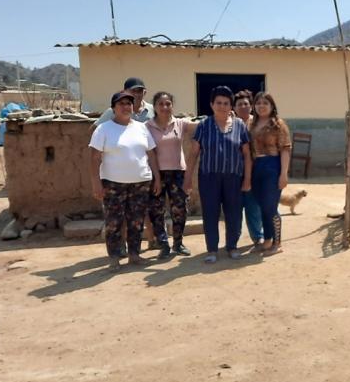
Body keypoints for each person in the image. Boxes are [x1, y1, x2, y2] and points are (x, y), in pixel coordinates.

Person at [89, 91, 162, 272]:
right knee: (113, 222)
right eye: (121, 104)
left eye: (129, 103)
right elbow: (94, 158)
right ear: (113, 108)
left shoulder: (141, 128)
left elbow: (151, 154)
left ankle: (134, 255)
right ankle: (114, 258)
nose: (126, 107)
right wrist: (96, 183)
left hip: (140, 182)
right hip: (113, 184)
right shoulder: (103, 129)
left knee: (136, 221)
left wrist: (157, 178)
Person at [184, 86, 252, 263]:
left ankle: (232, 246)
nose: (222, 106)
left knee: (234, 213)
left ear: (231, 106)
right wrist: (187, 179)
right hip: (209, 177)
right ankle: (212, 250)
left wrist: (247, 179)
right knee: (210, 213)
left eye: (226, 103)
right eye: (218, 103)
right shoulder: (204, 126)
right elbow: (193, 154)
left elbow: (247, 155)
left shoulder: (239, 126)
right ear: (212, 105)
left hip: (234, 177)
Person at [145, 91, 198, 259]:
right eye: (160, 104)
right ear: (154, 107)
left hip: (178, 173)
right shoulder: (147, 126)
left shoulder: (180, 123)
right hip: (156, 174)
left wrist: (225, 116)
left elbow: (202, 125)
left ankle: (178, 243)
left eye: (168, 103)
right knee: (156, 210)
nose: (164, 107)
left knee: (180, 209)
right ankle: (163, 244)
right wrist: (156, 178)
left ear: (172, 106)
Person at [249, 92, 291, 256]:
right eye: (258, 103)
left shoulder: (278, 124)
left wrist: (283, 174)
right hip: (256, 166)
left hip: (273, 166)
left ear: (272, 106)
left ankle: (277, 243)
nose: (261, 106)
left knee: (270, 206)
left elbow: (285, 149)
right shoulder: (252, 124)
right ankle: (267, 240)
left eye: (265, 103)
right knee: (262, 206)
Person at [234, 90, 265, 247]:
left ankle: (258, 236)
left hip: (256, 169)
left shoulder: (258, 124)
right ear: (234, 108)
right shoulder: (230, 124)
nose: (243, 107)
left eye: (246, 104)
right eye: (239, 104)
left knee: (254, 205)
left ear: (251, 106)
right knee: (234, 207)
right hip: (234, 171)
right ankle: (233, 240)